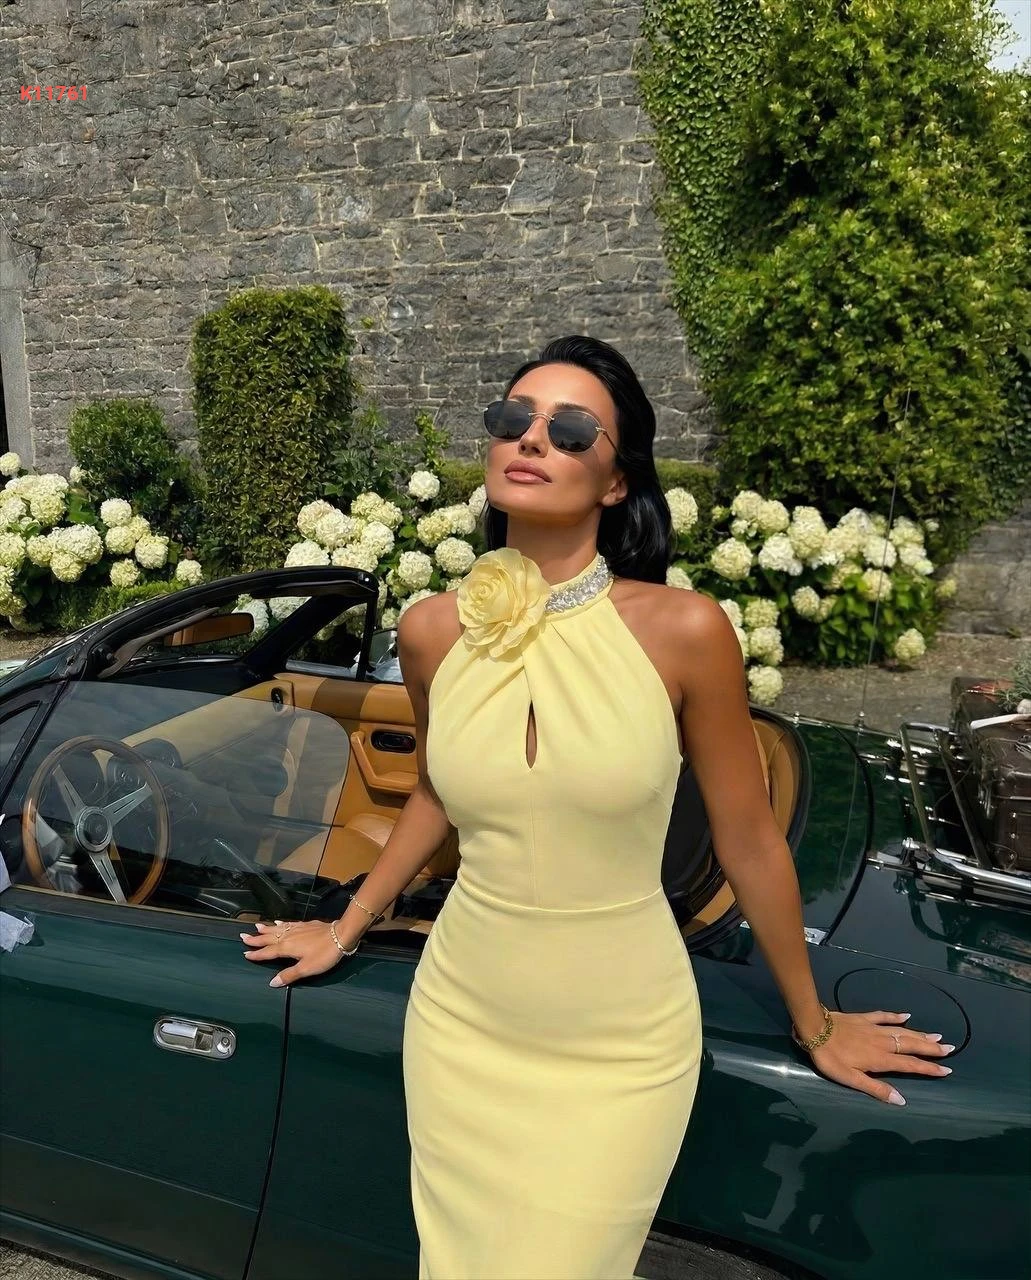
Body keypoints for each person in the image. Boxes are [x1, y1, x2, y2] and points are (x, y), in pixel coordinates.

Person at [241, 335, 954, 1279]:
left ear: (617, 482)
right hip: (464, 1018)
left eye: (571, 430)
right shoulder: (432, 630)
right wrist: (345, 925)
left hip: (620, 1037)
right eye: (514, 418)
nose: (532, 439)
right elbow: (437, 794)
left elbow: (748, 841)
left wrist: (813, 1021)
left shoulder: (685, 630)